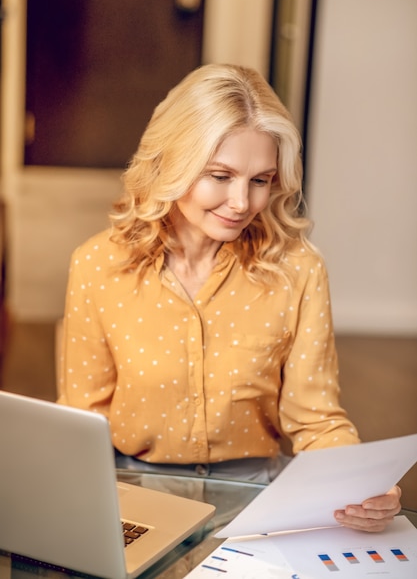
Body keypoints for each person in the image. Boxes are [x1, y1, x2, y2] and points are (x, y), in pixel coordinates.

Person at [58, 63, 401, 532]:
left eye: (260, 180)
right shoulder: (98, 266)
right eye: (220, 175)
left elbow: (317, 420)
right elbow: (82, 425)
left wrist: (361, 486)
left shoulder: (298, 269)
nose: (242, 202)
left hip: (258, 498)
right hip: (133, 496)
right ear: (170, 164)